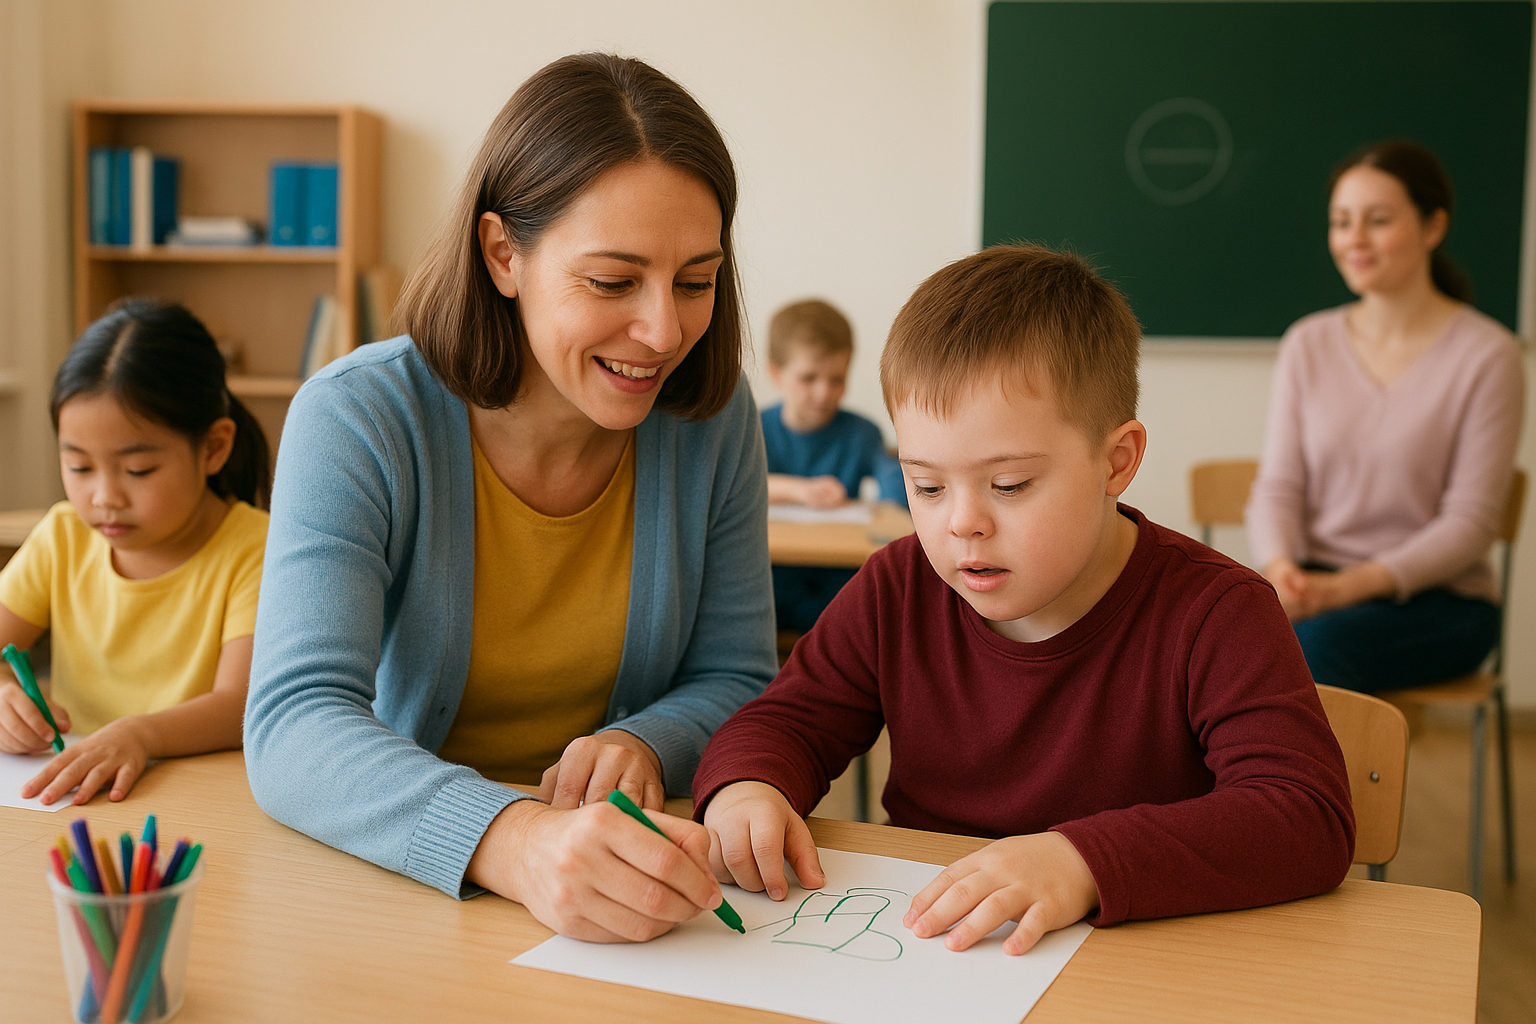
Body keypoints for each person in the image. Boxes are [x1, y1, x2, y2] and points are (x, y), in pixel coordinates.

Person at [244, 53, 778, 944]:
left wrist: (646, 741)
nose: (664, 331)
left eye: (695, 281)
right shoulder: (357, 417)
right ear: (503, 255)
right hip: (411, 883)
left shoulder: (713, 422)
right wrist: (517, 840)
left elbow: (738, 675)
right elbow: (294, 723)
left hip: (622, 890)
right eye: (613, 281)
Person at [693, 245, 1354, 956]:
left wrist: (1082, 861)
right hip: (929, 951)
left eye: (1008, 485)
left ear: (1117, 462)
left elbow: (1304, 815)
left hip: (1137, 963)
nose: (962, 522)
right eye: (927, 486)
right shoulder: (898, 586)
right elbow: (787, 720)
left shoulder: (1218, 612)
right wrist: (747, 788)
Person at [1246, 140, 1525, 693]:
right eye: (1341, 222)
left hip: (1439, 601)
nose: (1355, 239)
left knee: (1311, 650)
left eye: (1377, 220)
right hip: (1316, 584)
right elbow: (1278, 486)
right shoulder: (1308, 343)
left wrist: (1345, 589)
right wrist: (1280, 570)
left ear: (1433, 227)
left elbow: (1470, 525)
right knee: (1213, 638)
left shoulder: (1488, 355)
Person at [0, 299, 270, 804]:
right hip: (74, 800)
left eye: (138, 470)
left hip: (196, 797)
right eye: (80, 467)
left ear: (213, 447)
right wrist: (4, 699)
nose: (104, 497)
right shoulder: (62, 536)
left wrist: (139, 735)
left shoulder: (255, 549)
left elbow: (240, 703)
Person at [761, 299, 907, 632]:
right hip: (773, 577)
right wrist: (799, 491)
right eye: (808, 378)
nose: (823, 393)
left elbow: (895, 489)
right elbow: (736, 486)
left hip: (839, 580)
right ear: (776, 374)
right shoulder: (753, 429)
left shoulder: (862, 433)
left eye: (837, 379)